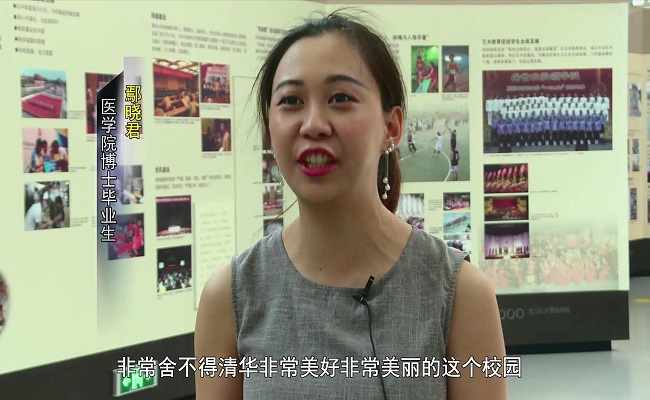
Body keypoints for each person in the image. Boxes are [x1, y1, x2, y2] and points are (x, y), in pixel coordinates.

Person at [195, 11, 506, 400]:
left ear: (392, 127)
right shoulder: (230, 297)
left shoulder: (460, 293)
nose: (313, 124)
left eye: (340, 98)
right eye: (291, 101)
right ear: (270, 130)